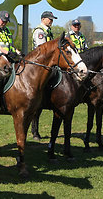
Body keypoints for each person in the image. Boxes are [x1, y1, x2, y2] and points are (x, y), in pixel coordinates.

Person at [30, 11, 57, 140]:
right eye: (50, 19)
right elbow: (43, 48)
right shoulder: (40, 31)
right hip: (40, 63)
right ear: (43, 19)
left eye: (52, 19)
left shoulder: (48, 31)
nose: (51, 21)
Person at [0, 10, 20, 111]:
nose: (4, 23)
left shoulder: (7, 30)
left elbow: (11, 45)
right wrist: (6, 52)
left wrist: (18, 52)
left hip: (8, 57)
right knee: (0, 76)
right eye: (3, 21)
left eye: (6, 21)